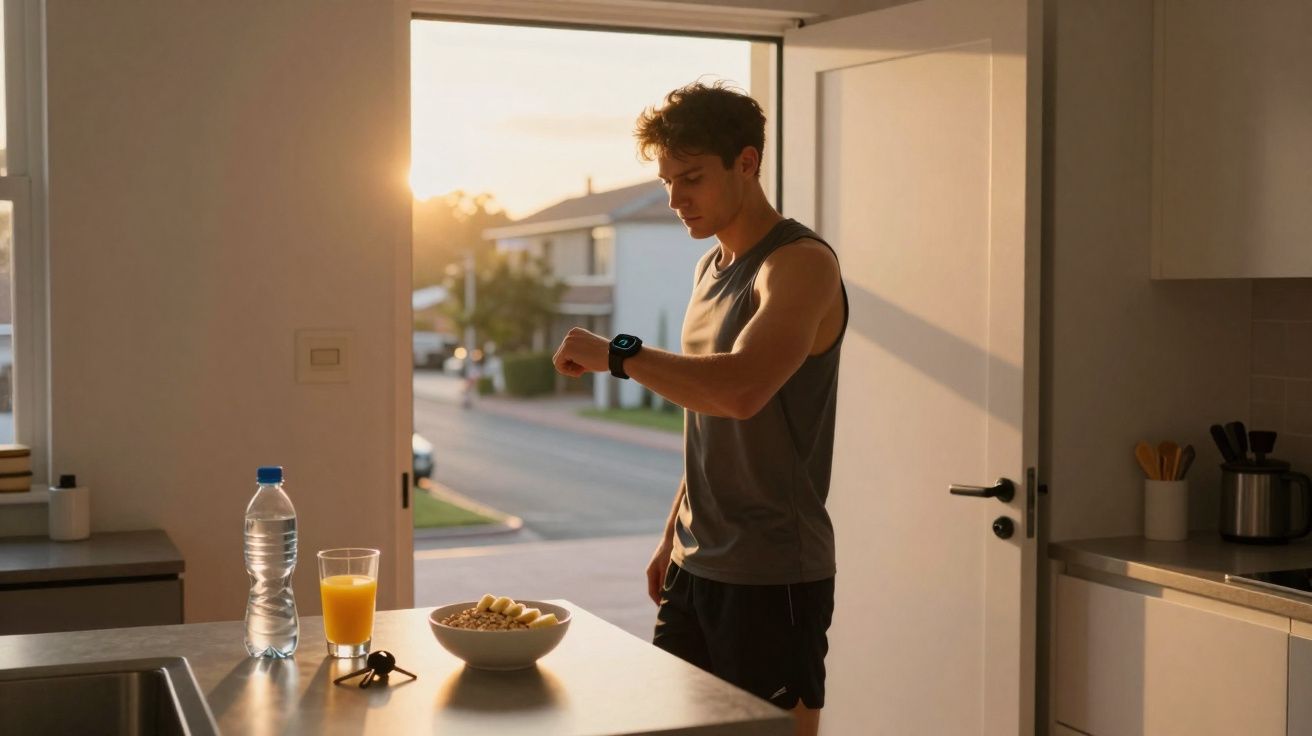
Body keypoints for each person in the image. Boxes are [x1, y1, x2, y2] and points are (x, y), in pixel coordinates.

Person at [551, 80, 847, 736]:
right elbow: (706, 408)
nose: (676, 199)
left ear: (747, 163)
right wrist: (671, 534)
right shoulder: (709, 268)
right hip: (695, 565)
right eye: (666, 182)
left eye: (691, 178)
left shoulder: (799, 266)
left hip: (774, 574)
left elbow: (740, 390)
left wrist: (618, 355)